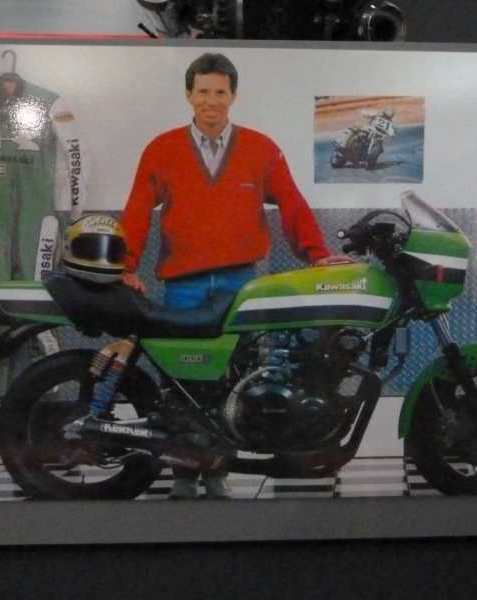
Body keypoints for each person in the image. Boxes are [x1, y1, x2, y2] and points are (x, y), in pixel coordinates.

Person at [119, 52, 350, 499]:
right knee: (182, 383)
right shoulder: (161, 149)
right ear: (189, 94)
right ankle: (184, 473)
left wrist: (318, 255)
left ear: (233, 96)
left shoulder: (261, 149)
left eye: (220, 92)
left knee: (234, 381)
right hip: (183, 285)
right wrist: (126, 267)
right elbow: (136, 213)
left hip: (241, 285)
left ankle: (217, 470)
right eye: (203, 91)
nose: (212, 101)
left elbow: (292, 204)